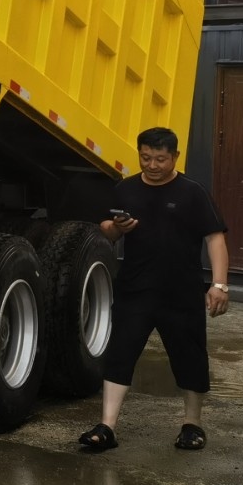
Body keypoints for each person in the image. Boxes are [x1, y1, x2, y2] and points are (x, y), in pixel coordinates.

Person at [79, 126, 229, 453]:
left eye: (160, 159)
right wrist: (116, 227)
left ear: (175, 157)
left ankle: (192, 425)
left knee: (189, 357)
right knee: (120, 354)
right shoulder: (125, 189)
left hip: (182, 291)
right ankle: (107, 427)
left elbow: (215, 238)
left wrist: (219, 285)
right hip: (135, 289)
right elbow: (107, 231)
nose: (152, 165)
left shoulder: (193, 192)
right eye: (146, 158)